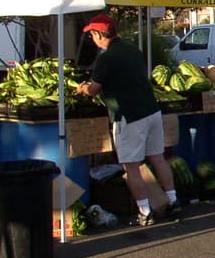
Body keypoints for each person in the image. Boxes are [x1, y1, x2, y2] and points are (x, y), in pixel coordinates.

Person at [75, 13, 180, 227]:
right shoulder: (132, 49)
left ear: (99, 34)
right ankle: (172, 201)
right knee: (158, 158)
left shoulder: (107, 57)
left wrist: (82, 88)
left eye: (92, 34)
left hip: (129, 116)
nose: (91, 38)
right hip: (151, 111)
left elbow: (94, 90)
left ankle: (144, 211)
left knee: (131, 166)